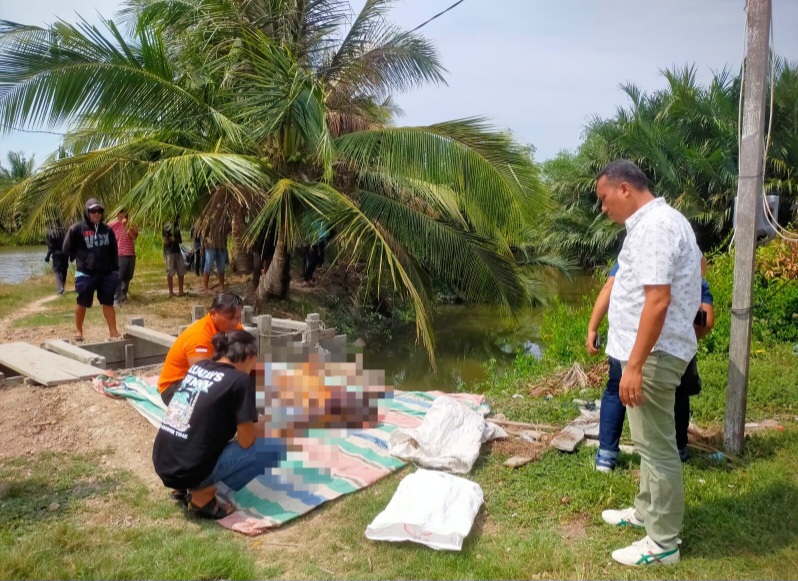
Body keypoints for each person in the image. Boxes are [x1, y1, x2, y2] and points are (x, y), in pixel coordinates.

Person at [593, 160, 701, 567]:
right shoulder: (657, 223)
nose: (603, 208)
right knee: (646, 442)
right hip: (648, 352)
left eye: (604, 199)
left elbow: (658, 300)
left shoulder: (655, 227)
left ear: (624, 189)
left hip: (653, 355)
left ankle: (664, 543)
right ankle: (645, 511)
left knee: (657, 448)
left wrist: (634, 365)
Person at [588, 257, 715, 471]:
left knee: (615, 391)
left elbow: (609, 288)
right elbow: (707, 321)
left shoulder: (632, 256)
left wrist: (593, 328)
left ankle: (606, 455)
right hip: (671, 350)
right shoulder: (689, 268)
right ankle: (679, 448)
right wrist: (685, 334)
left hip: (627, 343)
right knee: (678, 392)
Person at [152, 330, 286, 519]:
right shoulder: (240, 381)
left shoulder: (200, 367)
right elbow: (247, 442)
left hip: (164, 462)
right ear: (248, 355)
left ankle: (184, 487)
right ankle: (203, 494)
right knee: (275, 448)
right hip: (187, 468)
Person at [158, 292, 244, 405]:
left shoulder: (235, 327)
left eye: (237, 318)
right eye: (229, 318)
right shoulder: (199, 335)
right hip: (175, 387)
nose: (234, 322)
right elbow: (203, 376)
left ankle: (268, 413)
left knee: (264, 372)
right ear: (213, 313)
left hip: (217, 374)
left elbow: (248, 354)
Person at [62, 199, 121, 342]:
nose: (96, 214)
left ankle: (113, 332)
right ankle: (78, 331)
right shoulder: (77, 229)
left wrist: (115, 269)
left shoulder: (107, 230)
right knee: (82, 302)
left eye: (99, 211)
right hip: (85, 274)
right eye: (93, 211)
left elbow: (113, 250)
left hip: (106, 273)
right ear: (87, 212)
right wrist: (80, 257)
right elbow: (66, 248)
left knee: (108, 303)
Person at [108, 208, 138, 306]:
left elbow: (134, 237)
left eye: (125, 215)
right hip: (119, 254)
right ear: (117, 215)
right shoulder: (112, 224)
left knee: (128, 276)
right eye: (121, 215)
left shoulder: (132, 224)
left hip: (130, 253)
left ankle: (123, 295)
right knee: (118, 277)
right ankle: (115, 299)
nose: (123, 217)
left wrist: (126, 226)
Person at [203, 217, 231, 294]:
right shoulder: (210, 219)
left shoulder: (225, 219)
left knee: (221, 268)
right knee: (208, 267)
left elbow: (229, 230)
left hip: (221, 246)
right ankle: (205, 287)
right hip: (211, 247)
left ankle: (221, 286)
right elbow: (204, 233)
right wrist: (208, 240)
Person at [162, 220, 186, 298]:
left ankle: (181, 291)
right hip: (169, 252)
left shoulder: (176, 227)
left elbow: (180, 240)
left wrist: (174, 239)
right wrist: (172, 239)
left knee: (181, 270)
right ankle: (171, 292)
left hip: (177, 251)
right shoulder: (166, 226)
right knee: (170, 271)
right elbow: (166, 241)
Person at [44, 220, 68, 295]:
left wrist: (47, 257)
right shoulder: (66, 232)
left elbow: (51, 247)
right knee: (64, 270)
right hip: (65, 253)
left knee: (56, 271)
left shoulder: (50, 233)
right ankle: (62, 287)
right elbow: (70, 243)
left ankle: (60, 288)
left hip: (56, 254)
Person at [302, 220, 329, 285]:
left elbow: (324, 233)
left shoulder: (323, 221)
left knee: (315, 261)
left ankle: (309, 276)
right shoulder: (311, 220)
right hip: (309, 243)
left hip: (317, 243)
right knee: (311, 261)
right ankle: (306, 278)